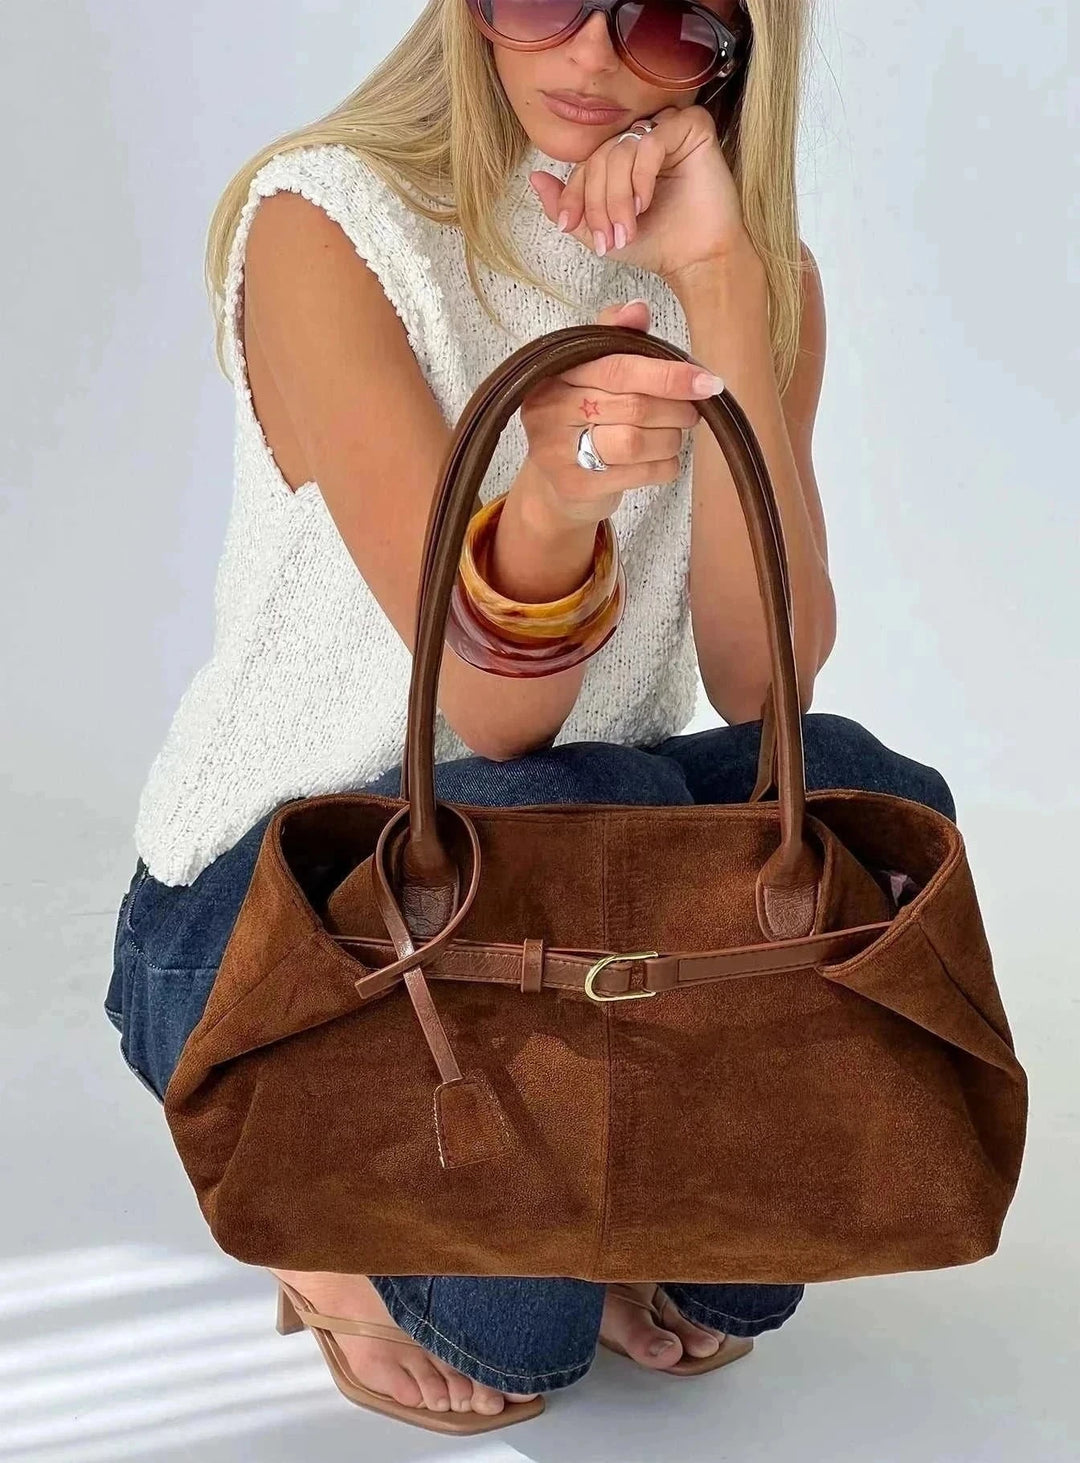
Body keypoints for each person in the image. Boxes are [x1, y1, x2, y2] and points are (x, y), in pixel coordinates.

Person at [104, 0, 957, 1437]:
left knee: (873, 800)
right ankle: (309, 1223)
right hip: (274, 922)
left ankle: (579, 1182)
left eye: (670, 25)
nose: (591, 57)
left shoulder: (746, 265)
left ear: (736, 51)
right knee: (515, 1325)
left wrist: (724, 281)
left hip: (551, 891)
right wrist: (556, 502)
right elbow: (490, 723)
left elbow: (766, 685)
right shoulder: (331, 221)